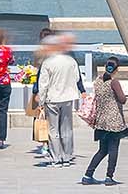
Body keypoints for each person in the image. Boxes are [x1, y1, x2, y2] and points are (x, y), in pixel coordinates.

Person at [81, 57, 128, 186]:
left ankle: (88, 174)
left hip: (101, 120)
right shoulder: (114, 82)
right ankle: (109, 177)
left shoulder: (97, 81)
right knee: (113, 149)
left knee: (102, 150)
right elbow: (122, 99)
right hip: (114, 121)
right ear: (117, 69)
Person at [35, 32, 81, 166]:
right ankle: (67, 156)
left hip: (52, 98)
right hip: (68, 97)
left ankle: (56, 157)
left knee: (53, 129)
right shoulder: (71, 61)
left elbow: (43, 85)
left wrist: (41, 102)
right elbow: (77, 78)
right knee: (66, 128)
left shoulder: (47, 63)